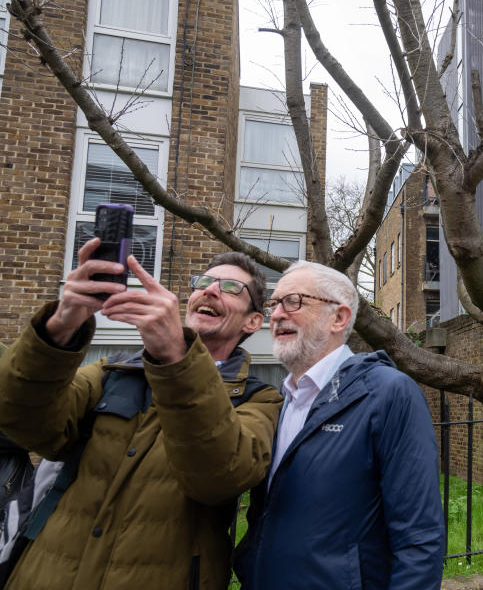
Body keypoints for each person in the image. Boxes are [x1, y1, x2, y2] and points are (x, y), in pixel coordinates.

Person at [0, 241, 283, 590]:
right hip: (42, 576)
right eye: (202, 282)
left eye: (229, 288)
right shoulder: (111, 372)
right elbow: (22, 421)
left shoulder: (260, 400)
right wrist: (60, 327)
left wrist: (177, 359)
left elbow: (217, 479)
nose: (209, 290)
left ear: (254, 320)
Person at [236, 261, 444, 589]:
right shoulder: (281, 399)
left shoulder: (389, 393)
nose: (276, 314)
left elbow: (420, 539)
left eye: (294, 301)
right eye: (274, 303)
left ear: (339, 317)